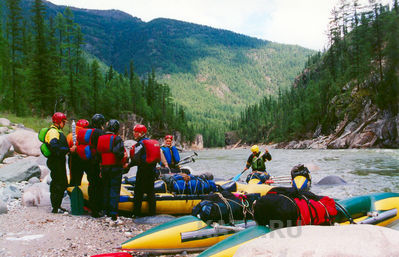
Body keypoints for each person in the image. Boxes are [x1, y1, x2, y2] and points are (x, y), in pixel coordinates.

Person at [45, 112, 76, 213]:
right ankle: (55, 207)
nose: (64, 124)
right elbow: (54, 147)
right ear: (58, 122)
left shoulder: (57, 131)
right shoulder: (53, 132)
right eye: (63, 122)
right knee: (58, 183)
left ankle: (57, 205)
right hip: (55, 161)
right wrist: (68, 149)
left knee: (61, 182)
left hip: (58, 160)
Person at [127, 124, 160, 217]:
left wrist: (127, 166)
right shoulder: (150, 142)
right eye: (134, 132)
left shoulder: (140, 144)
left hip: (143, 170)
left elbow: (135, 159)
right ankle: (152, 213)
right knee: (150, 192)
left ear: (141, 133)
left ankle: (136, 213)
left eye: (136, 132)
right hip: (152, 170)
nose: (134, 134)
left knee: (138, 192)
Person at [96, 119, 126, 221]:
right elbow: (119, 153)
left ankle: (105, 210)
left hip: (104, 167)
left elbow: (99, 154)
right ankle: (113, 214)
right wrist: (124, 159)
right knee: (114, 190)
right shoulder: (116, 139)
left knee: (106, 189)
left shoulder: (101, 138)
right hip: (115, 167)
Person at [86, 113, 106, 217]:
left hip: (88, 161)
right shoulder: (100, 133)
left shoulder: (89, 131)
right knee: (98, 185)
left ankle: (92, 208)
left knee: (92, 184)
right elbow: (102, 149)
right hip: (97, 162)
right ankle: (97, 209)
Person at [66, 119, 90, 186]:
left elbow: (67, 149)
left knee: (74, 177)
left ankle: (74, 187)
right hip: (81, 158)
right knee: (77, 176)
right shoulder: (88, 136)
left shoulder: (70, 136)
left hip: (75, 158)